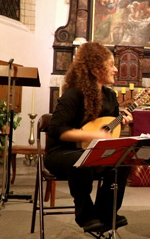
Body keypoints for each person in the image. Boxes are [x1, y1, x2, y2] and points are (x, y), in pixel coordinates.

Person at [44, 41, 133, 233]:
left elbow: (111, 129)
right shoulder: (73, 95)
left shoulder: (110, 96)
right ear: (95, 68)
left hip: (93, 151)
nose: (116, 69)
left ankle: (106, 212)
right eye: (111, 65)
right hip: (62, 152)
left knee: (124, 161)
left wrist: (122, 121)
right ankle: (85, 215)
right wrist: (94, 134)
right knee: (84, 160)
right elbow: (57, 130)